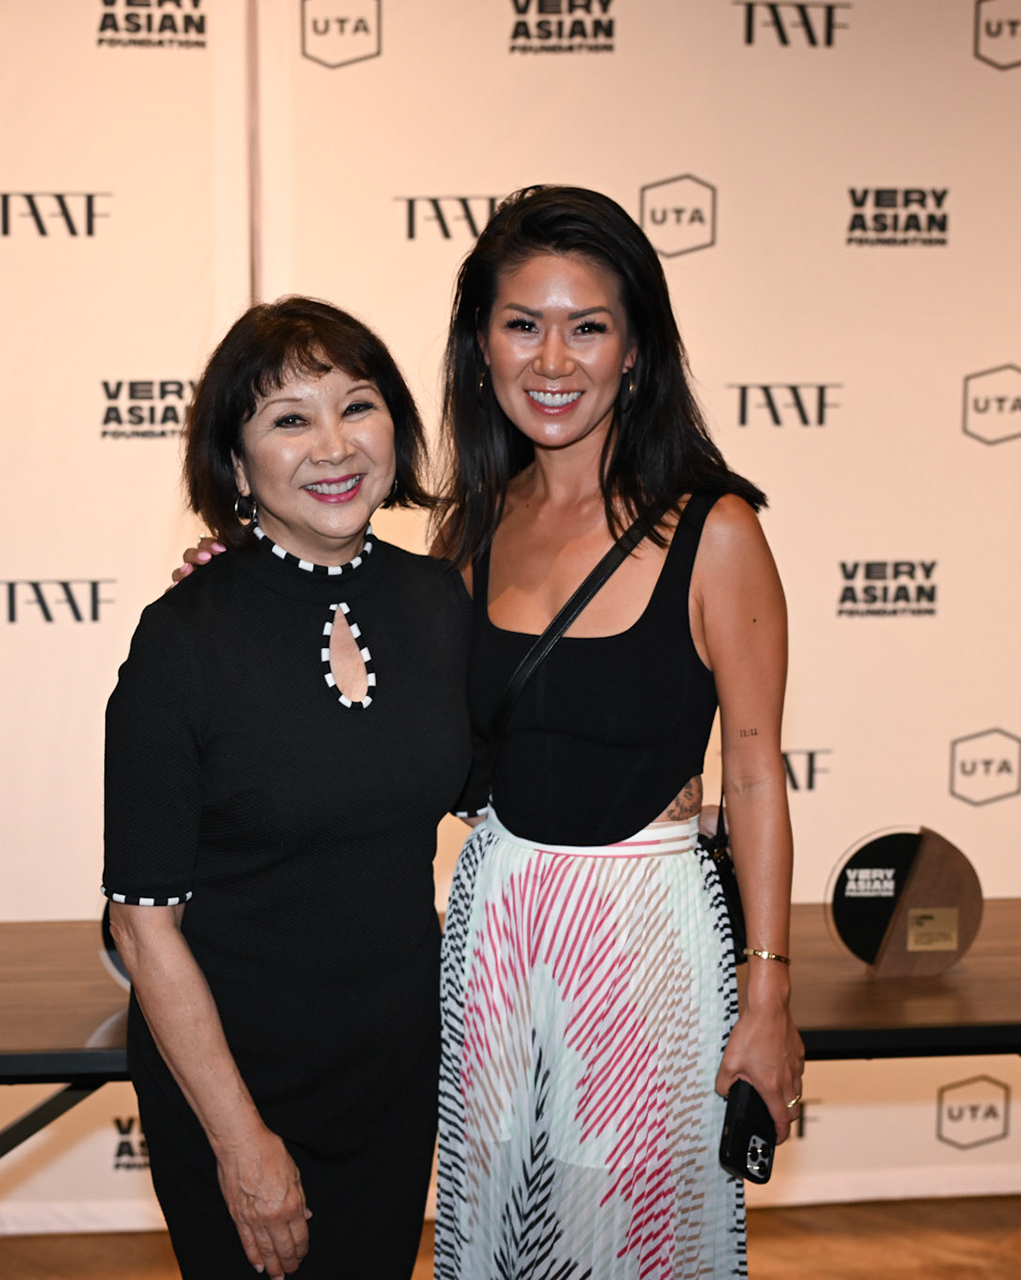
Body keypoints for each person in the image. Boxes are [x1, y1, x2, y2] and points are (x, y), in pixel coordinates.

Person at [428, 186, 803, 1279]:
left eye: (587, 326)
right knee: (496, 1226)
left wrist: (768, 993)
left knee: (636, 1235)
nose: (554, 359)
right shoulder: (468, 531)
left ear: (635, 350)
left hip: (647, 937)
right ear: (482, 346)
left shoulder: (714, 531)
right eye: (522, 324)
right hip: (497, 925)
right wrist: (234, 580)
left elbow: (755, 773)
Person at [104, 297, 474, 1279]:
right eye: (289, 419)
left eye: (357, 405)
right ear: (235, 465)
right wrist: (241, 1142)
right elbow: (143, 925)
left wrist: (663, 789)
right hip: (234, 1085)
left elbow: (506, 795)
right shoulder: (182, 641)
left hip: (392, 1080)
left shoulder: (441, 605)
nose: (334, 445)